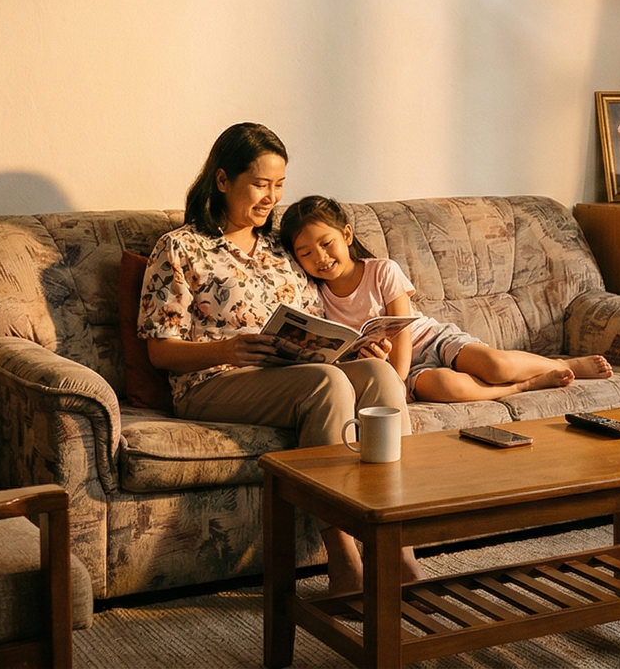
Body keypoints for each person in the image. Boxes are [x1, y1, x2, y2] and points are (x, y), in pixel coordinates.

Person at [137, 123, 417, 595]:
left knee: (378, 375)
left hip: (294, 372)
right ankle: (343, 559)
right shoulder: (180, 247)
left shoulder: (281, 249)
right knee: (327, 385)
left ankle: (398, 547)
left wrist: (358, 348)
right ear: (223, 180)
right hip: (215, 380)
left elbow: (319, 326)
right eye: (260, 185)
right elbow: (159, 349)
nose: (271, 198)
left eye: (279, 186)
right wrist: (228, 348)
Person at [279, 196, 614, 402]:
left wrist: (395, 380)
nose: (320, 258)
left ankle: (563, 364)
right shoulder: (314, 295)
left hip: (427, 341)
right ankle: (520, 389)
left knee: (497, 366)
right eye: (305, 253)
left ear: (347, 235)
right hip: (390, 368)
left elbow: (402, 330)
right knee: (444, 387)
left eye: (326, 244)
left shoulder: (381, 270)